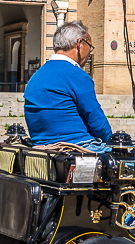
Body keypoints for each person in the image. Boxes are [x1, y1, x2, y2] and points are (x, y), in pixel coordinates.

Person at [23, 20, 113, 152]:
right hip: (77, 146)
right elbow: (97, 122)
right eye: (90, 46)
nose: (89, 54)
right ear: (79, 44)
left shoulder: (36, 77)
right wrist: (114, 143)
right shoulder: (77, 75)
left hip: (42, 146)